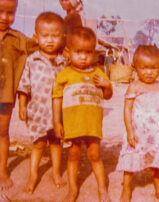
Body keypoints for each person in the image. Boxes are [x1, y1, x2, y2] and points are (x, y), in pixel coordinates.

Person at [52, 27, 112, 202]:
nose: (84, 56)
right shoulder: (65, 75)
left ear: (93, 53)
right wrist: (57, 122)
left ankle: (102, 189)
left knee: (94, 156)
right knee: (73, 156)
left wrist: (106, 85)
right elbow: (56, 98)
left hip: (92, 125)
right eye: (79, 52)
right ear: (68, 52)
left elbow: (108, 96)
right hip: (73, 125)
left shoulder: (98, 74)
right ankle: (72, 190)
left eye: (88, 52)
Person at [116, 45, 159, 202]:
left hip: (157, 132)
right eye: (144, 68)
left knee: (157, 161)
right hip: (139, 131)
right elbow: (127, 110)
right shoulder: (134, 86)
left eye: (153, 68)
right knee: (130, 160)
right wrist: (130, 131)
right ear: (135, 67)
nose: (149, 72)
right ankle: (126, 189)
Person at [17, 11, 66, 194]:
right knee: (38, 144)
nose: (50, 40)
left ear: (62, 38)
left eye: (55, 36)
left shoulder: (63, 62)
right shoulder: (32, 60)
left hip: (56, 114)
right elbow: (24, 85)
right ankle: (33, 175)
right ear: (36, 37)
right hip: (37, 111)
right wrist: (22, 105)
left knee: (55, 143)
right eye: (45, 36)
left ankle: (55, 172)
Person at [0, 0, 37, 190]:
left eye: (10, 13)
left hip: (5, 96)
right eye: (0, 11)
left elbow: (41, 45)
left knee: (2, 133)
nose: (4, 18)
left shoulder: (17, 38)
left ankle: (2, 171)